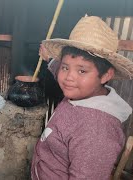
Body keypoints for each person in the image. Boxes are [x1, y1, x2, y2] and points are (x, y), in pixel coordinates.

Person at [31, 15, 133, 179]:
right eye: (65, 67)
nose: (68, 77)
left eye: (82, 71)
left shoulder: (97, 131)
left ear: (106, 75)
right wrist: (50, 59)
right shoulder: (83, 92)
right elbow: (65, 70)